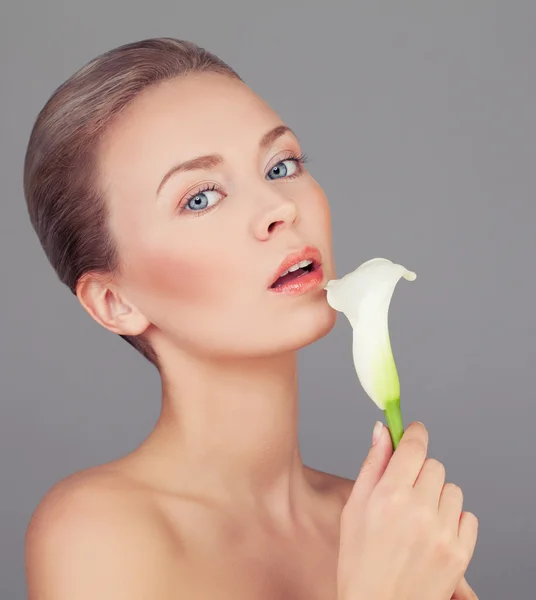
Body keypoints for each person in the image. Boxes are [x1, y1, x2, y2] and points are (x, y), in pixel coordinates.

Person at [23, 38, 479, 599]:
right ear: (114, 301)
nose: (279, 208)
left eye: (281, 165)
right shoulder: (97, 532)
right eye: (200, 198)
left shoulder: (381, 523)